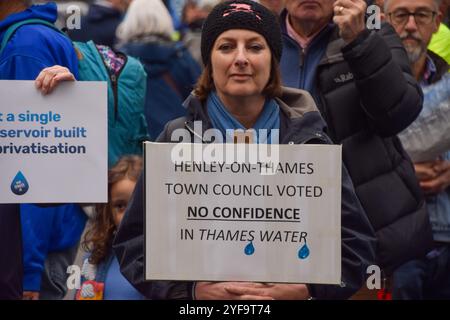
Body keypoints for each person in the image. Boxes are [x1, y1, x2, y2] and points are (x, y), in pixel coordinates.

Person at [113, 0, 376, 300]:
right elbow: (134, 244)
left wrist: (305, 291)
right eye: (226, 47)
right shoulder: (177, 140)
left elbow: (357, 246)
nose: (241, 58)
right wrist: (190, 293)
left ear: (273, 61)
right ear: (209, 62)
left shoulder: (309, 142)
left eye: (254, 47)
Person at [279, 0, 433, 289]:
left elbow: (399, 113)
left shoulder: (374, 33)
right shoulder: (259, 42)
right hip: (284, 228)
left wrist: (359, 42)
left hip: (367, 235)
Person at [0, 0, 80, 300]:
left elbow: (34, 169)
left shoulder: (25, 45)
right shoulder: (35, 35)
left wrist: (30, 271)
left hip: (27, 255)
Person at [385, 0, 450, 299]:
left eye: (421, 15)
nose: (411, 25)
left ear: (437, 22)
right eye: (402, 15)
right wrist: (403, 172)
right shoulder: (366, 81)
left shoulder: (448, 80)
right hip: (396, 243)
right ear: (385, 19)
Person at [115, 0, 201, 140]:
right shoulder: (181, 57)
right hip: (176, 140)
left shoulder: (118, 61)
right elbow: (199, 100)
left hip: (133, 142)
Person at [76, 156, 144, 300]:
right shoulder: (95, 259)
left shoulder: (167, 263)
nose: (128, 215)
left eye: (137, 204)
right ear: (109, 212)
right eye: (120, 206)